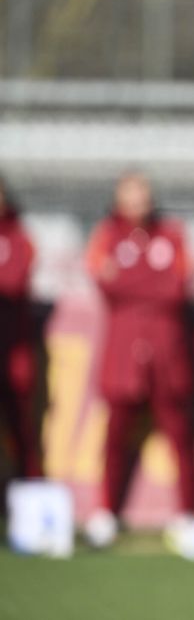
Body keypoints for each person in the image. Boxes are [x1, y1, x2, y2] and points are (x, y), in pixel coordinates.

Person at [83, 172, 194, 550]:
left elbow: (178, 286)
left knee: (180, 437)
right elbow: (102, 279)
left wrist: (130, 282)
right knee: (114, 437)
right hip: (123, 357)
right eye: (130, 196)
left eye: (143, 195)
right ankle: (105, 512)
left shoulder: (172, 235)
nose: (138, 203)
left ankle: (186, 515)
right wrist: (150, 283)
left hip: (166, 357)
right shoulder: (106, 235)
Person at [0, 175, 42, 481]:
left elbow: (14, 282)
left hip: (13, 351)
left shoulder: (20, 238)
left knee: (20, 430)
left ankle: (27, 493)